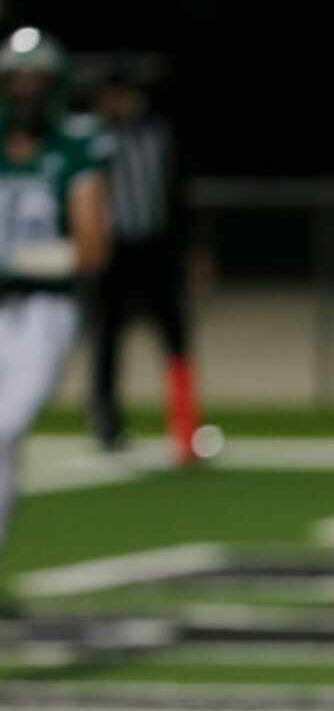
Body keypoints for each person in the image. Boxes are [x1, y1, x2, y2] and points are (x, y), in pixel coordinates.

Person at [0, 27, 110, 574]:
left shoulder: (74, 145)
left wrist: (15, 260)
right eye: (14, 78)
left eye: (32, 79)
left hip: (45, 310)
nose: (23, 90)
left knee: (4, 427)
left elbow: (91, 248)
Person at [87, 63, 203, 462]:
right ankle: (107, 425)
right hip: (114, 253)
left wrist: (193, 250)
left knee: (176, 339)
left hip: (157, 250)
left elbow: (180, 195)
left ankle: (186, 429)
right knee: (107, 341)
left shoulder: (160, 133)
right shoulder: (94, 139)